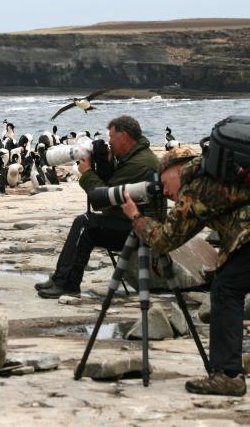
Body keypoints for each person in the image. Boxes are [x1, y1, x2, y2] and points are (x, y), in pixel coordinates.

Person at [121, 146, 250, 397]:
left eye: (163, 179)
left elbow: (165, 240)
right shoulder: (215, 176)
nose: (165, 191)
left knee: (225, 292)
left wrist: (136, 217)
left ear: (177, 168)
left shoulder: (196, 188)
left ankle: (228, 376)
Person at [36, 115, 160, 299]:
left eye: (112, 137)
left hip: (140, 227)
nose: (109, 142)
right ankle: (63, 280)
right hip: (131, 220)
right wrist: (105, 163)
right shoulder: (134, 157)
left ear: (124, 136)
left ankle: (65, 283)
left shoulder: (139, 163)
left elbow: (103, 198)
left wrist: (86, 173)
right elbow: (113, 187)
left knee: (85, 223)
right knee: (88, 227)